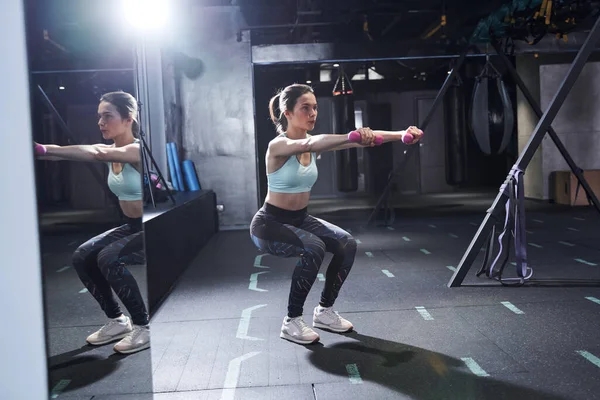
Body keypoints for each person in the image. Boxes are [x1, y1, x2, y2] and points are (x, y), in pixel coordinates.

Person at [249, 83, 423, 345]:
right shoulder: (278, 146)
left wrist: (400, 134)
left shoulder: (315, 143)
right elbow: (314, 142)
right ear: (287, 112)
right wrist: (351, 136)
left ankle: (325, 312)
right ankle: (292, 321)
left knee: (346, 243)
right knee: (314, 247)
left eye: (315, 107)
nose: (312, 113)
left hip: (300, 219)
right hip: (269, 224)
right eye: (305, 108)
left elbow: (366, 137)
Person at [35, 91, 150, 354]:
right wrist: (40, 150)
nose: (100, 122)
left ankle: (144, 326)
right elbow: (66, 154)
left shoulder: (135, 151)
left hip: (150, 228)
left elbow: (96, 153)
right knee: (82, 255)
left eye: (107, 116)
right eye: (99, 116)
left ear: (128, 118)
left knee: (108, 258)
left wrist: (43, 149)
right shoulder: (111, 150)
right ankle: (118, 321)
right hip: (131, 226)